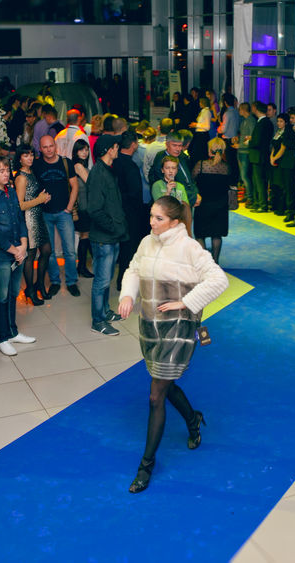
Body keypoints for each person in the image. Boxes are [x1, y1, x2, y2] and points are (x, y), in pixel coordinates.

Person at [117, 195, 229, 493]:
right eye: (151, 216)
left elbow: (219, 280)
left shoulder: (190, 247)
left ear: (174, 222)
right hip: (151, 326)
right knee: (164, 382)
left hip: (178, 328)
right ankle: (193, 419)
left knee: (156, 395)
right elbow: (133, 270)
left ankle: (145, 466)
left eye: (158, 218)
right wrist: (127, 295)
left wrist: (186, 302)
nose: (151, 222)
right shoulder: (147, 242)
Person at [0, 156, 37, 356]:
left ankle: (12, 331)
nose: (6, 174)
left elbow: (19, 219)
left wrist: (24, 244)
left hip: (17, 251)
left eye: (7, 170)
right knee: (1, 296)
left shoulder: (10, 191)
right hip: (1, 255)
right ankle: (0, 337)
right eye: (1, 171)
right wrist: (14, 250)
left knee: (13, 293)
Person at [87, 135, 129, 336]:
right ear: (108, 150)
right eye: (115, 146)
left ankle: (104, 311)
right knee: (101, 281)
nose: (118, 149)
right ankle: (98, 321)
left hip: (112, 236)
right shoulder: (98, 173)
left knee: (107, 279)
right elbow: (94, 209)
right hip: (104, 238)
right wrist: (113, 227)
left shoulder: (108, 170)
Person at [35, 135, 80, 297]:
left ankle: (71, 282)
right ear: (40, 149)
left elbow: (75, 186)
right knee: (50, 252)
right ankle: (54, 281)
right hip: (45, 213)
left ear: (55, 146)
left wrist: (69, 207)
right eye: (45, 147)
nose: (49, 150)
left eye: (51, 146)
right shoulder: (37, 165)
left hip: (63, 213)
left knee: (70, 251)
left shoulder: (66, 163)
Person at [12, 146, 53, 306]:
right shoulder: (21, 177)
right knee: (30, 255)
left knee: (46, 251)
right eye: (25, 155)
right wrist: (39, 200)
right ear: (19, 158)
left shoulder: (31, 172)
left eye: (31, 155)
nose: (29, 158)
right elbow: (20, 205)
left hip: (38, 216)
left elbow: (32, 196)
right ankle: (30, 289)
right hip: (28, 219)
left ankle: (39, 284)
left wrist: (43, 198)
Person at [113, 131, 146, 289]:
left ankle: (120, 280)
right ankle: (123, 282)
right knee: (129, 247)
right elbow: (135, 193)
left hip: (115, 210)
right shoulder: (131, 166)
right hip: (130, 213)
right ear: (134, 145)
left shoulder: (114, 161)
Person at [192, 137, 233, 264]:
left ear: (209, 150)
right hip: (221, 205)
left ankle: (205, 263)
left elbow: (192, 180)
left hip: (203, 205)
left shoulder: (201, 165)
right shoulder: (226, 167)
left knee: (200, 235)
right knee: (217, 235)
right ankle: (216, 262)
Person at [70, 140, 95, 279]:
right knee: (85, 236)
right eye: (81, 150)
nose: (84, 152)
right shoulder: (78, 166)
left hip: (85, 206)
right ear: (76, 152)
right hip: (82, 207)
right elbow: (91, 183)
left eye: (86, 150)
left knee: (85, 236)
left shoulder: (82, 165)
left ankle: (82, 266)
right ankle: (81, 267)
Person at [246, 102, 273, 212]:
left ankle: (262, 204)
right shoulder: (265, 122)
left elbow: (258, 141)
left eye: (253, 107)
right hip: (260, 155)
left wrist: (249, 142)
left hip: (259, 155)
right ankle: (258, 202)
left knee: (259, 181)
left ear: (256, 109)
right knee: (257, 180)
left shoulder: (263, 122)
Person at [269, 114, 295, 216]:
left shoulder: (288, 132)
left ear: (286, 122)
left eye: (281, 121)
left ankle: (284, 208)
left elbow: (283, 148)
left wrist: (275, 158)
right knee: (276, 184)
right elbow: (274, 146)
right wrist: (271, 157)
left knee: (284, 185)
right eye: (278, 121)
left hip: (284, 161)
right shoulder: (278, 132)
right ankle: (276, 205)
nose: (278, 123)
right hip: (275, 161)